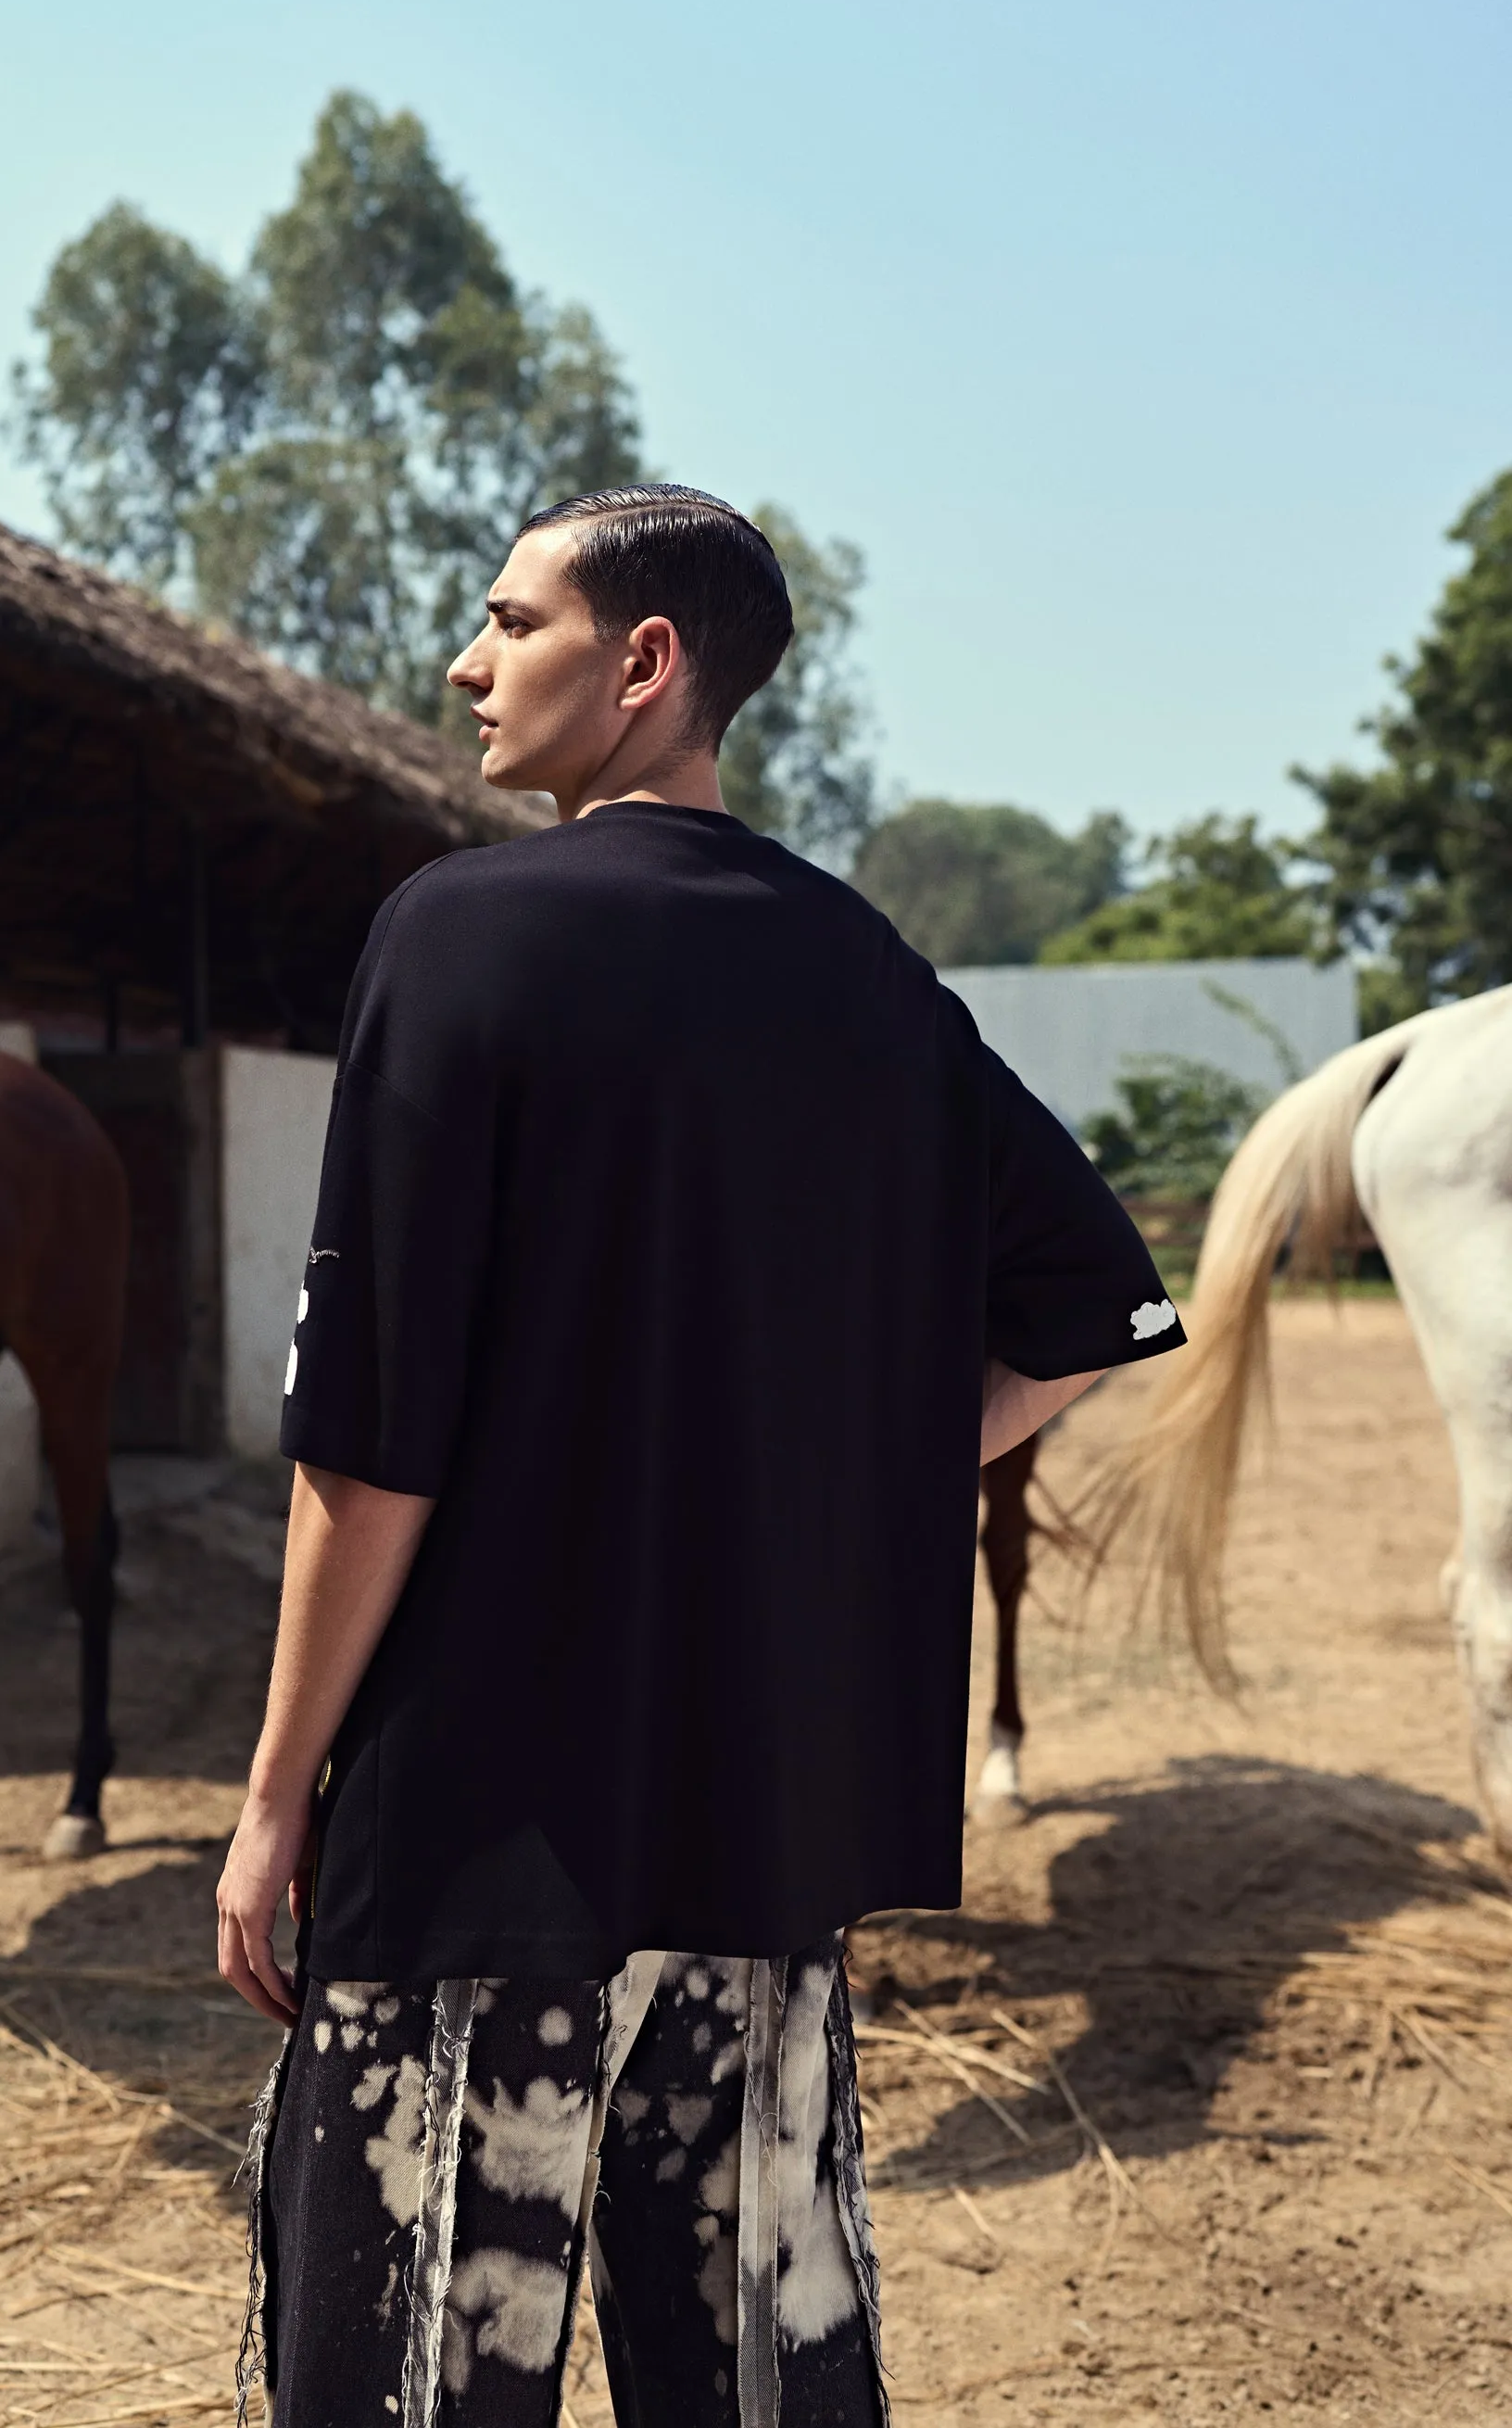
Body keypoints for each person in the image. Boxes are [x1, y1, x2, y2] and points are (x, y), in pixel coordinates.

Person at [216, 487, 1186, 2428]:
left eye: (511, 622)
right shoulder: (868, 975)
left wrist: (271, 1795)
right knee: (752, 2380)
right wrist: (864, 1475)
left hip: (477, 1825)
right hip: (757, 1832)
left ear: (643, 663)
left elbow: (374, 1445)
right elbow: (1095, 1302)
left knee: (413, 2373)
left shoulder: (458, 935)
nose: (468, 665)